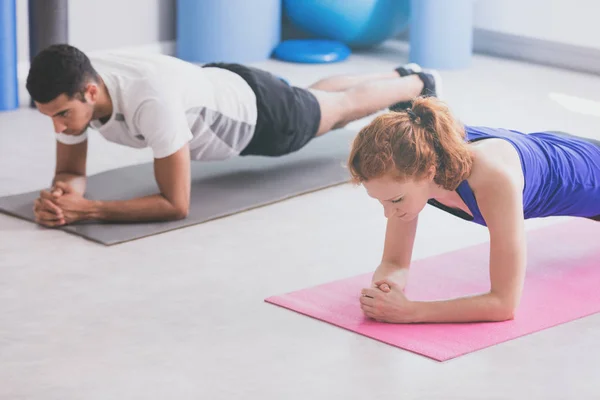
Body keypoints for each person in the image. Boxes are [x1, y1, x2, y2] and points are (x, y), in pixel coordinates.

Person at [26, 44, 440, 227]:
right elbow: (69, 171)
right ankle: (396, 76)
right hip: (218, 82)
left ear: (91, 91)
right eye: (50, 117)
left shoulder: (151, 102)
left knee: (336, 112)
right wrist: (62, 196)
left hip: (258, 117)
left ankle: (417, 84)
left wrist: (91, 209)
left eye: (62, 115)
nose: (59, 127)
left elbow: (175, 204)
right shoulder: (75, 76)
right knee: (317, 99)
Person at [348, 96, 600, 324]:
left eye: (395, 200)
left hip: (589, 173)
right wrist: (387, 288)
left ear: (429, 172)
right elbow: (394, 263)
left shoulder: (492, 179)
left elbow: (503, 304)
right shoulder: (417, 160)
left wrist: (411, 311)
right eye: (382, 201)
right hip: (557, 147)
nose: (388, 213)